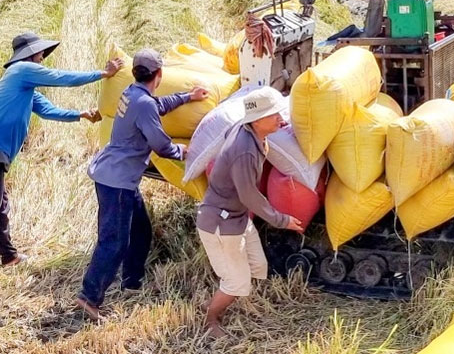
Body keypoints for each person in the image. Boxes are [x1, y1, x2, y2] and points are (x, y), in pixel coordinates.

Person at [0, 31, 121, 264]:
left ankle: (9, 256)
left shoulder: (25, 90)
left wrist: (81, 115)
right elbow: (59, 77)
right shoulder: (20, 70)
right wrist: (102, 74)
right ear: (31, 54)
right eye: (41, 54)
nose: (43, 58)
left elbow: (49, 110)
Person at [76, 48, 209, 321]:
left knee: (141, 231)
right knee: (114, 242)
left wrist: (187, 97)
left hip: (113, 173)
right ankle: (89, 297)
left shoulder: (132, 93)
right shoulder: (142, 102)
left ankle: (132, 282)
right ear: (159, 75)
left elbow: (158, 106)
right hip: (118, 182)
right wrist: (183, 151)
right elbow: (160, 145)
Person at [196, 86, 303, 338]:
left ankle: (224, 298)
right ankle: (210, 319)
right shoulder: (244, 150)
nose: (282, 119)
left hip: (237, 216)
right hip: (221, 223)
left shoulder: (251, 134)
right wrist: (281, 220)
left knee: (257, 265)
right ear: (257, 119)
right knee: (237, 282)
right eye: (275, 114)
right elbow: (249, 196)